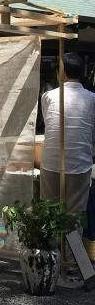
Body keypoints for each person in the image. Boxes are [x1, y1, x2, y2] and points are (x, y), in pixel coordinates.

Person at [40, 53, 95, 215]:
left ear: (62, 73)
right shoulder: (92, 98)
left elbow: (48, 123)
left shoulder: (48, 96)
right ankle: (72, 240)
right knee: (74, 215)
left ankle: (51, 241)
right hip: (80, 164)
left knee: (49, 212)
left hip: (51, 163)